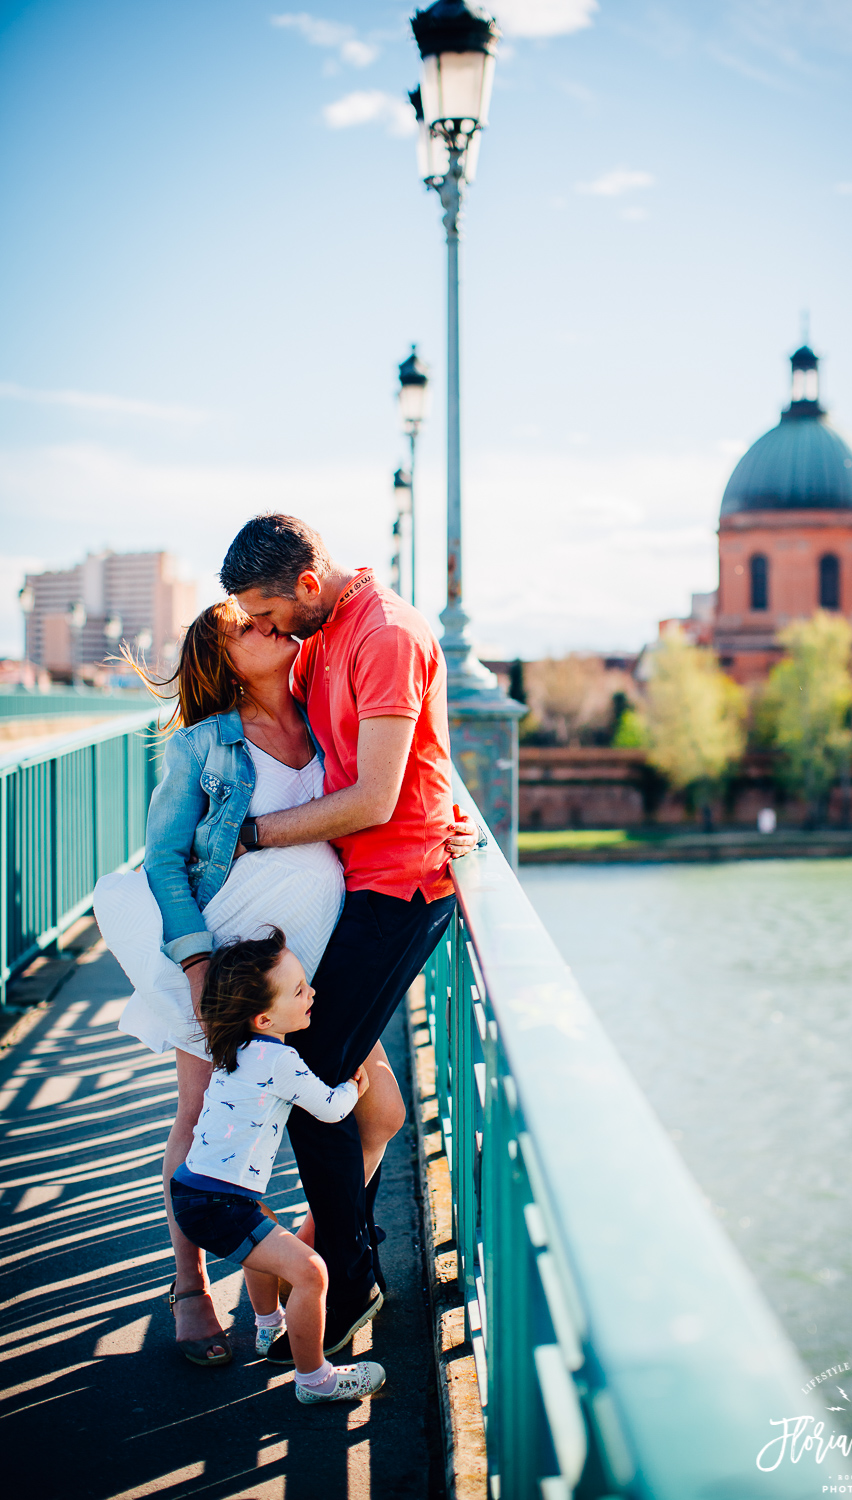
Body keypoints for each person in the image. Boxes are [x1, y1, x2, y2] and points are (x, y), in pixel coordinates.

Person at [94, 599, 475, 1363]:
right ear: (223, 659)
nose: (275, 628)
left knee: (382, 1112)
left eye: (272, 619)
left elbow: (390, 778)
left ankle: (299, 1258)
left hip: (314, 960)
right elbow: (165, 861)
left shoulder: (323, 713)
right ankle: (190, 1289)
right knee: (202, 1114)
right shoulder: (203, 746)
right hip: (232, 960)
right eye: (251, 627)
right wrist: (200, 965)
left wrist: (442, 821)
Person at [219, 514, 475, 1361]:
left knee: (313, 1077)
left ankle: (351, 1281)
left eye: (265, 612)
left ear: (305, 583)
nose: (263, 630)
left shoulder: (387, 634)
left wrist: (254, 837)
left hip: (400, 888)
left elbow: (373, 798)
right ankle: (342, 1265)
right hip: (353, 888)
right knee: (336, 1082)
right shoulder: (324, 634)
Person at [171, 926, 385, 1403]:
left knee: (261, 1234)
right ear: (266, 1017)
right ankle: (315, 1380)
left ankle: (269, 1326)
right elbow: (330, 1108)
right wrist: (356, 1087)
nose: (313, 993)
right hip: (218, 1202)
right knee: (311, 1272)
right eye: (299, 990)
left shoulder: (236, 1047)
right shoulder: (279, 1062)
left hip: (194, 1191)